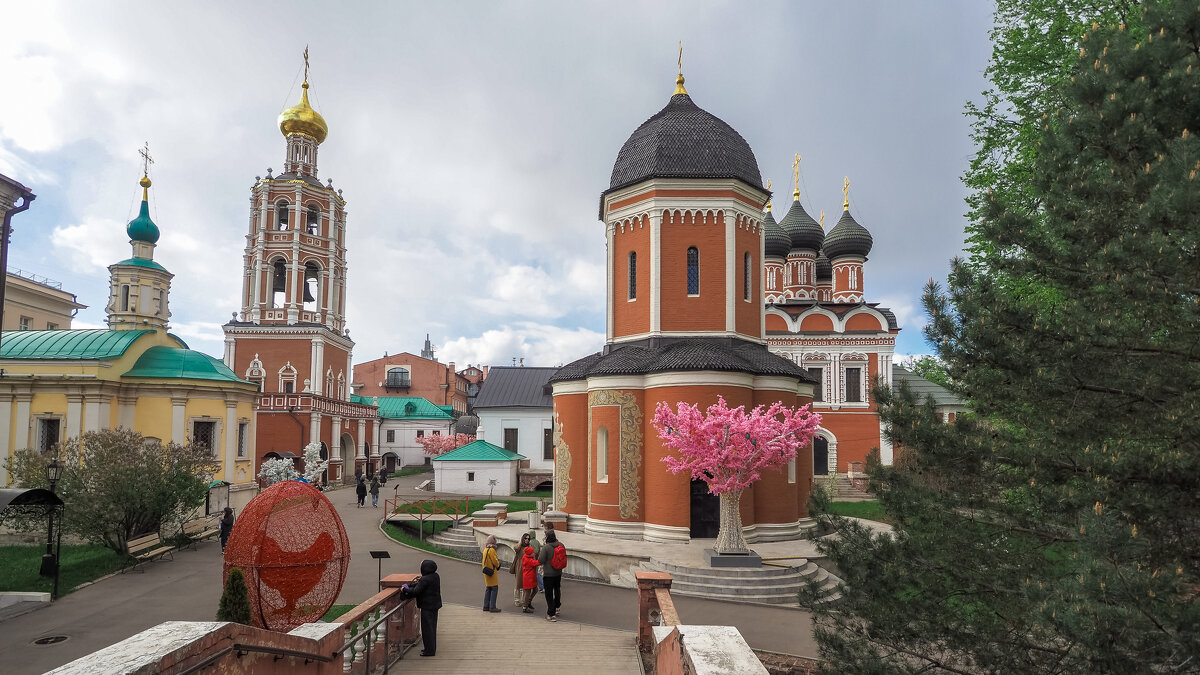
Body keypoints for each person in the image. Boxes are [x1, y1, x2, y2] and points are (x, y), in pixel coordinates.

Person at [399, 559, 442, 657]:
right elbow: (422, 586)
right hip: (435, 605)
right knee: (432, 628)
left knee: (427, 629)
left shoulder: (425, 579)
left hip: (427, 606)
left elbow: (415, 592)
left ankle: (429, 651)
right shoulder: (436, 576)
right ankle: (431, 649)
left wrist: (404, 588)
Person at [538, 528, 563, 621]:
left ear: (547, 537)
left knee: (549, 593)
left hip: (548, 574)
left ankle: (551, 614)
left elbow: (540, 560)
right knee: (557, 590)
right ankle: (557, 607)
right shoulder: (561, 545)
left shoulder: (546, 547)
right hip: (558, 572)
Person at [481, 535, 501, 613]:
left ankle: (486, 606)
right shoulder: (492, 550)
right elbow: (495, 561)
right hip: (492, 572)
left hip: (486, 571)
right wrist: (498, 565)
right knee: (494, 589)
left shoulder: (485, 549)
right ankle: (492, 607)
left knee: (488, 589)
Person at [510, 532, 531, 606]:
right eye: (525, 538)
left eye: (528, 539)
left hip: (526, 567)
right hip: (519, 566)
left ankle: (523, 600)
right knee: (518, 584)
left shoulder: (529, 547)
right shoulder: (520, 546)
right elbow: (515, 548)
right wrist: (520, 542)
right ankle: (517, 600)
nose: (527, 540)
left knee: (525, 585)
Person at [520, 545, 540, 613]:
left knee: (534, 590)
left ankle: (528, 602)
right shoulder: (529, 560)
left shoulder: (525, 557)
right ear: (530, 553)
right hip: (529, 578)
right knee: (528, 592)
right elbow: (537, 563)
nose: (534, 553)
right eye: (532, 552)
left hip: (529, 577)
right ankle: (525, 607)